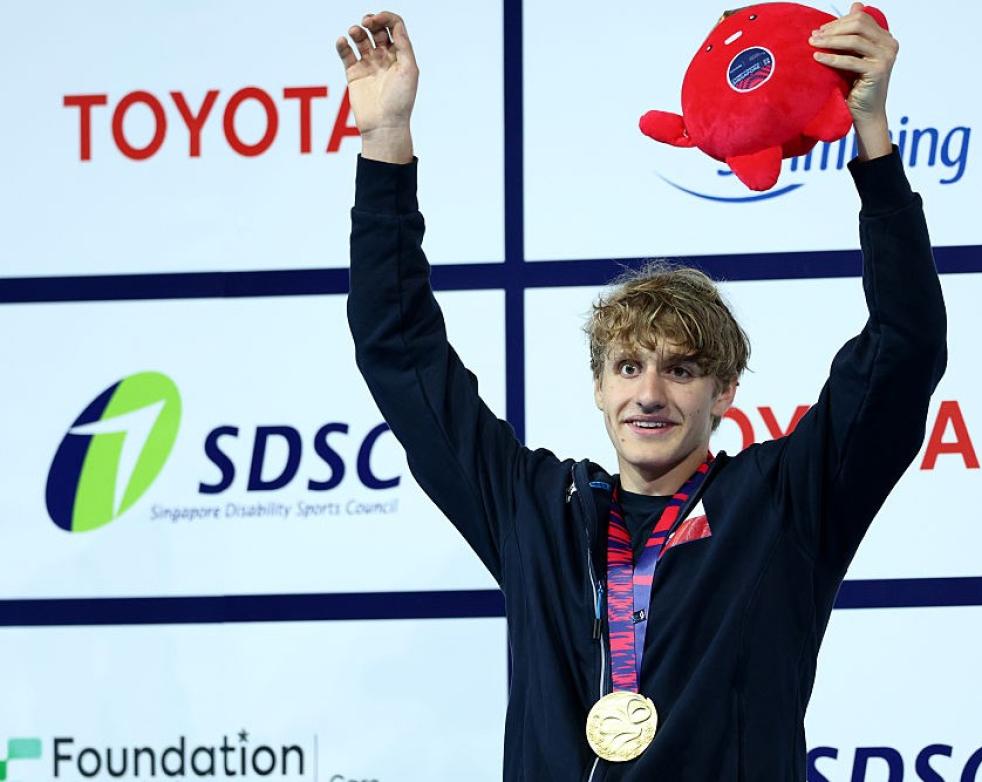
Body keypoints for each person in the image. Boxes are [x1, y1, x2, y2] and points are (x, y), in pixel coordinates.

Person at [338, 5, 947, 780]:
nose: (650, 393)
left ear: (725, 392)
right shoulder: (534, 511)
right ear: (597, 387)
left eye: (681, 369)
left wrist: (872, 136)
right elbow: (399, 352)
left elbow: (906, 346)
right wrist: (384, 142)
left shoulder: (784, 505)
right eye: (628, 368)